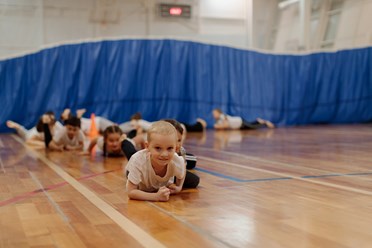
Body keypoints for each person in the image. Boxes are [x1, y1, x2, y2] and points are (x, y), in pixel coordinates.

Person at [125, 121, 197, 202]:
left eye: (169, 148)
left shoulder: (177, 160)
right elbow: (131, 192)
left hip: (159, 181)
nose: (164, 154)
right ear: (147, 146)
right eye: (158, 148)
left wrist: (179, 187)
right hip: (138, 170)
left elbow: (182, 169)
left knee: (195, 181)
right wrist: (156, 196)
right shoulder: (138, 160)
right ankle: (126, 140)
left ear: (176, 148)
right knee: (132, 170)